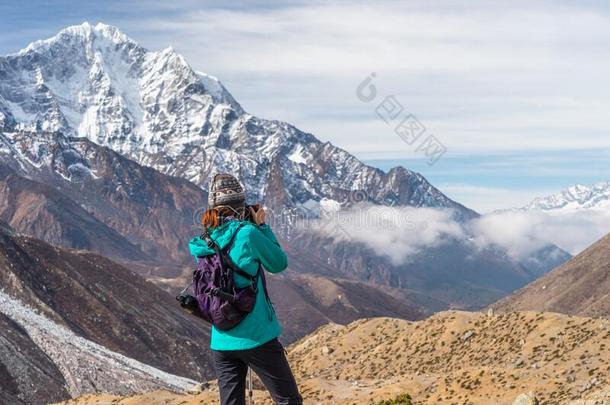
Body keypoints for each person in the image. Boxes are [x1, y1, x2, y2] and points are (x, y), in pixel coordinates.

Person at [188, 173, 303, 405]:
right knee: (288, 400)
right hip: (256, 336)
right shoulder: (247, 234)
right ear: (241, 206)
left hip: (221, 339)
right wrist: (262, 226)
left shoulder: (204, 241)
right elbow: (278, 263)